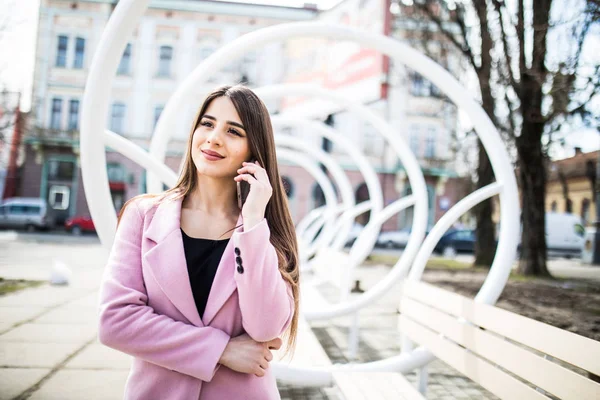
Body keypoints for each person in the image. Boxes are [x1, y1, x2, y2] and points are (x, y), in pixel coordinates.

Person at [97, 85, 300, 400]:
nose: (214, 137)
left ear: (253, 151)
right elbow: (115, 322)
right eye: (207, 123)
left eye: (233, 131)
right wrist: (221, 350)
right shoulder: (143, 215)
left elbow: (265, 328)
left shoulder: (264, 229)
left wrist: (254, 222)